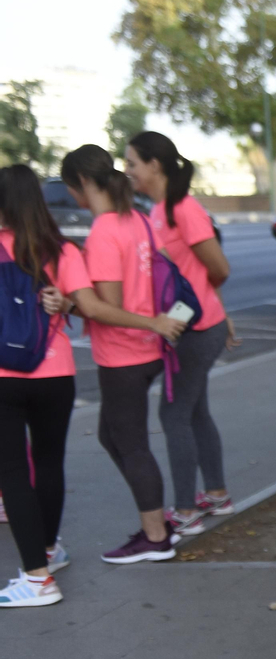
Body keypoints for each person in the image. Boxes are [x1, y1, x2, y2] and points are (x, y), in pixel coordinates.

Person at [60, 145, 187, 564]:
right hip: (145, 352)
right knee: (112, 436)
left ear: (80, 183)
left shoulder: (103, 231)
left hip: (124, 355)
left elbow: (104, 307)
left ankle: (155, 536)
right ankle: (156, 521)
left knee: (131, 444)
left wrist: (69, 301)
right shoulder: (134, 219)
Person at [124, 131, 234, 535]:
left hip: (198, 327)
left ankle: (186, 510)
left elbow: (218, 268)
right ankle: (217, 495)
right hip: (187, 325)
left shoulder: (183, 209)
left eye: (132, 162)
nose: (128, 170)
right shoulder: (157, 211)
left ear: (154, 165)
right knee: (194, 411)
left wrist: (207, 302)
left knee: (173, 414)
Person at [0, 166, 88, 605]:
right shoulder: (62, 250)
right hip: (57, 373)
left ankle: (36, 579)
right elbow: (86, 305)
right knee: (49, 463)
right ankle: (49, 552)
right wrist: (65, 301)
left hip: (3, 379)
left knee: (13, 471)